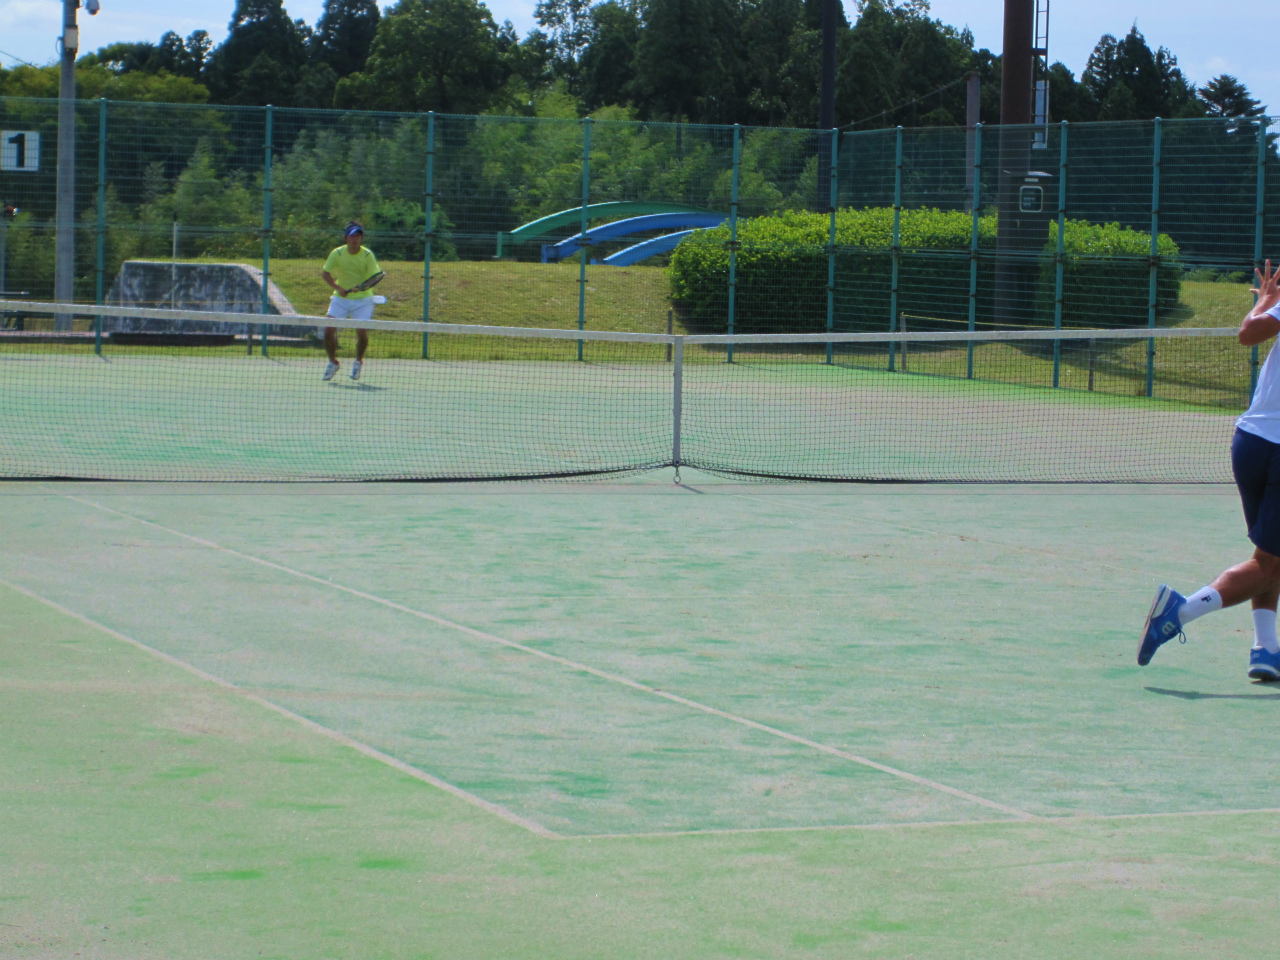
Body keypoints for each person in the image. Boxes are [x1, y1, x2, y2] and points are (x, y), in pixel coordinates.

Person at [1140, 260, 1280, 680]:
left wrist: (1266, 302)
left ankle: (1265, 648)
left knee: (1269, 557)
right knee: (1267, 563)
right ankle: (1178, 612)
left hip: (1250, 443)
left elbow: (1248, 333)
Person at [320, 221, 381, 381]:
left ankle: (358, 362)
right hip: (340, 299)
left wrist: (360, 288)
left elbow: (374, 277)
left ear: (361, 238)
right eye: (352, 236)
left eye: (358, 236)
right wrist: (338, 288)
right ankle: (333, 363)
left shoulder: (367, 255)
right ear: (345, 238)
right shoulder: (337, 253)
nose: (355, 239)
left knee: (361, 332)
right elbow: (325, 274)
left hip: (363, 300)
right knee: (328, 331)